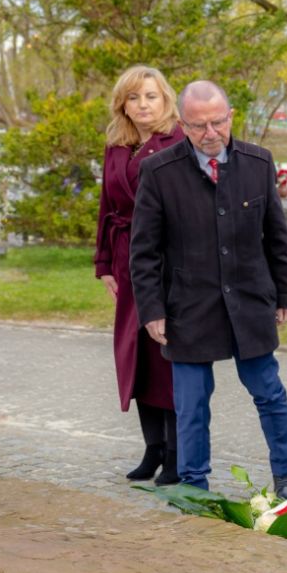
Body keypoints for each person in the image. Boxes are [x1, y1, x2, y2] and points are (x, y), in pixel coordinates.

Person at [129, 81, 287, 500]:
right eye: (198, 125)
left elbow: (277, 237)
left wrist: (285, 294)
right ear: (182, 124)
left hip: (250, 302)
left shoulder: (258, 163)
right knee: (190, 404)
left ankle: (286, 478)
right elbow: (144, 252)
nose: (210, 133)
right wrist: (152, 310)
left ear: (231, 116)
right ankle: (194, 487)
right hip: (188, 307)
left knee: (270, 393)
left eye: (218, 122)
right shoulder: (159, 172)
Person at [94, 65, 184, 485]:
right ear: (123, 105)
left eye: (151, 96)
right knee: (137, 359)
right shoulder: (117, 146)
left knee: (165, 358)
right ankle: (154, 448)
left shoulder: (178, 141)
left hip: (165, 264)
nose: (143, 104)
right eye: (134, 97)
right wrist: (103, 264)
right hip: (125, 261)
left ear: (165, 100)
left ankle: (178, 455)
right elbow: (105, 205)